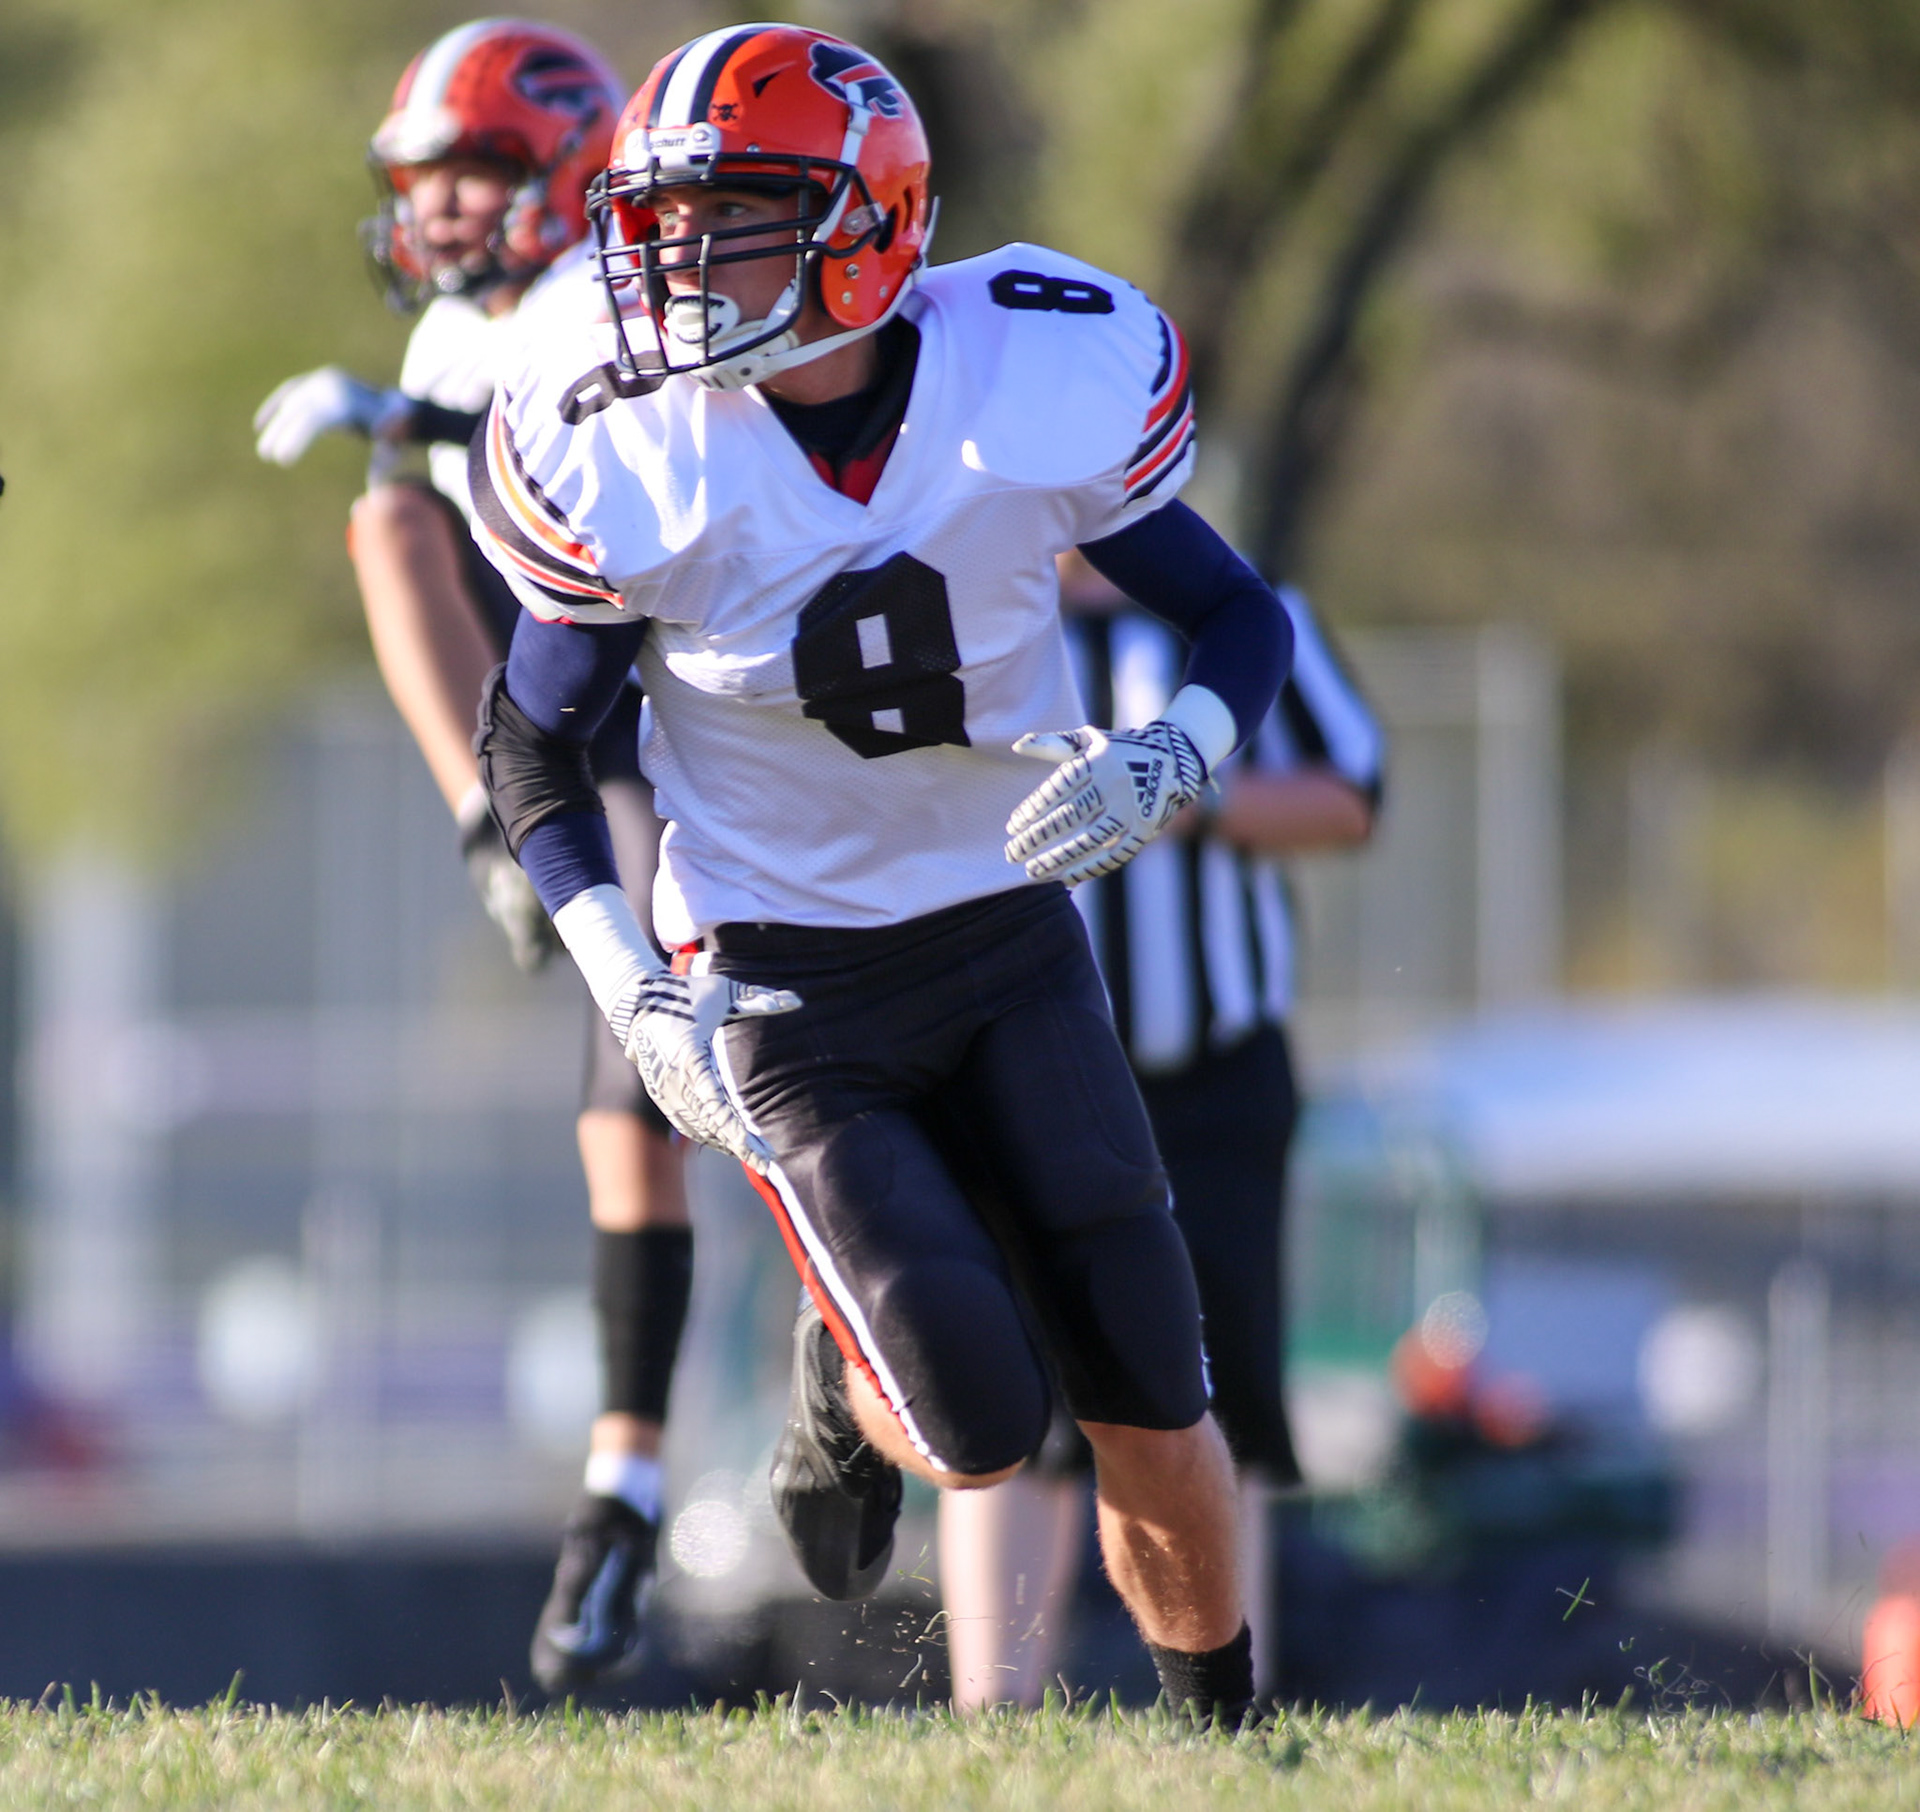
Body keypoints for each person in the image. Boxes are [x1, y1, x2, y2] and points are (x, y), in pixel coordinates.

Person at [468, 22, 1294, 1722]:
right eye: (670, 222)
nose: (683, 264)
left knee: (1151, 1380)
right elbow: (530, 746)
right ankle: (847, 1370)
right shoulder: (639, 441)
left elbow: (1239, 614)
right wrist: (632, 984)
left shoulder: (1024, 379)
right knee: (979, 1424)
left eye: (737, 220)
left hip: (1009, 926)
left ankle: (1230, 1741)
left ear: (869, 225)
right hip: (787, 966)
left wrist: (1177, 752)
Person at [250, 20, 693, 1694]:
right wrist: (412, 422)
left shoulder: (616, 301)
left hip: (700, 734)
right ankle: (626, 1480)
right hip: (575, 754)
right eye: (422, 182)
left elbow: (575, 470)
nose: (438, 211)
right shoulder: (461, 329)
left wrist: (421, 418)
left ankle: (663, 1465)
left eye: (475, 174)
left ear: (565, 174)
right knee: (626, 1115)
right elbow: (441, 486)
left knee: (697, 1107)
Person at [940, 563, 1385, 1709]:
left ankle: (1230, 1707)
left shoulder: (1242, 616)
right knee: (1008, 1401)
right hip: (1015, 1065)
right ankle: (994, 1716)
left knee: (1216, 1388)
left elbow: (1353, 794)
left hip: (1210, 1076)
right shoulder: (967, 600)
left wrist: (1186, 798)